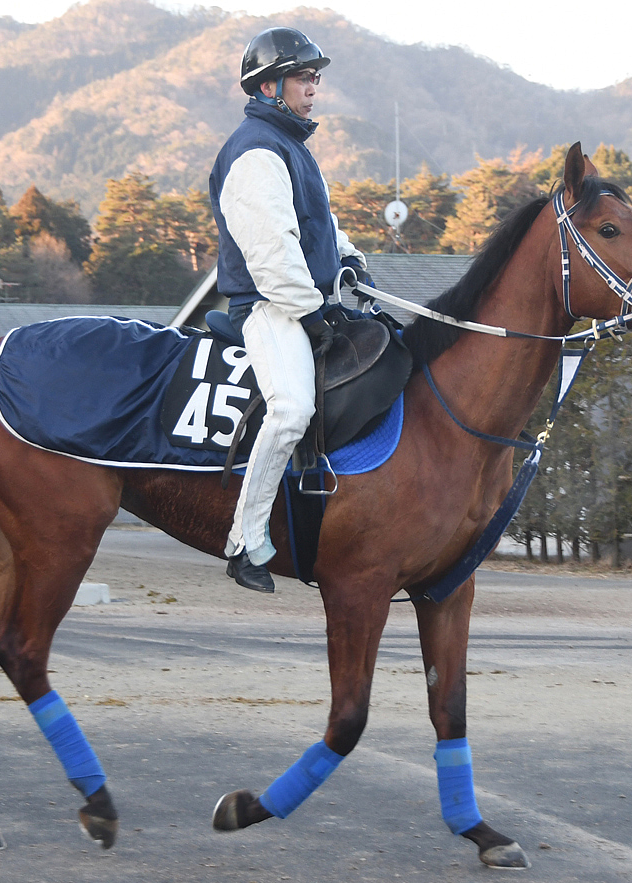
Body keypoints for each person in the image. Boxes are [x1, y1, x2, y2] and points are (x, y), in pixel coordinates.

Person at [209, 26, 369, 592]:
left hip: (304, 301)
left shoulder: (292, 146)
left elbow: (315, 223)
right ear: (271, 85)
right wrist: (309, 310)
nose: (314, 87)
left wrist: (348, 257)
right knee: (292, 410)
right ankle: (244, 541)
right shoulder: (254, 151)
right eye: (305, 76)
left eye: (316, 77)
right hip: (269, 308)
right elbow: (272, 250)